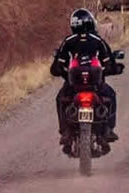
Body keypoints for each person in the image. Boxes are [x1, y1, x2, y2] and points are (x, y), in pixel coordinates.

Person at [50, 8, 124, 146]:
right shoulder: (98, 40)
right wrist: (116, 69)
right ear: (91, 23)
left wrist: (65, 74)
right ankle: (108, 130)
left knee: (60, 99)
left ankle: (65, 130)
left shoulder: (68, 41)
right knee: (111, 96)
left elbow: (57, 66)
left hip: (73, 85)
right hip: (96, 84)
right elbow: (108, 62)